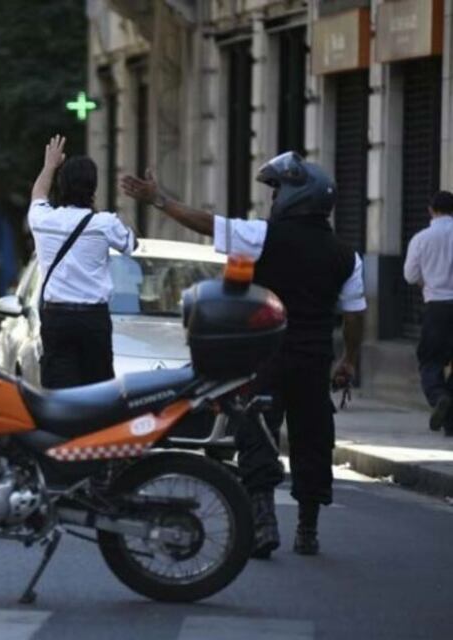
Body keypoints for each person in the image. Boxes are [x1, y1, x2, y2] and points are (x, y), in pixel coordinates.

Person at [120, 152, 367, 558]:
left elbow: (207, 224)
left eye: (278, 191)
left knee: (257, 433)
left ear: (297, 196)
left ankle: (263, 520)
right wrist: (349, 360)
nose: (274, 198)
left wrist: (159, 200)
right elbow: (355, 315)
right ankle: (307, 529)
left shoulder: (261, 236)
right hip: (313, 361)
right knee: (313, 439)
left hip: (266, 357)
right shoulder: (346, 256)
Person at [30, 135, 136, 389]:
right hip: (93, 320)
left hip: (56, 318)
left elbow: (38, 195)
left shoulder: (43, 220)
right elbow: (131, 245)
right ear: (93, 187)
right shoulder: (105, 223)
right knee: (97, 391)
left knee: (59, 391)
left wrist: (49, 166)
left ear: (61, 185)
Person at [403, 190, 453, 435]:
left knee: (430, 361)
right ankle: (451, 423)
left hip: (436, 307)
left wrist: (427, 281)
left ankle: (438, 395)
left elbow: (410, 275)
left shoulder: (421, 239)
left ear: (431, 210)